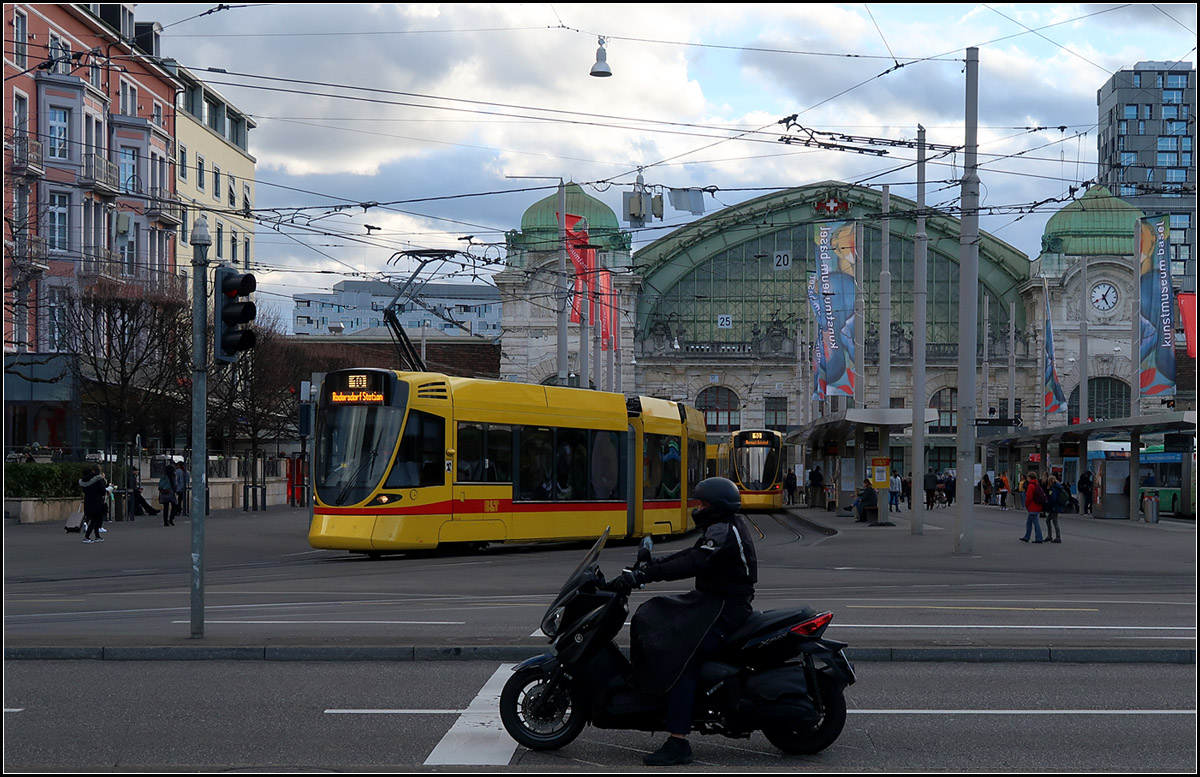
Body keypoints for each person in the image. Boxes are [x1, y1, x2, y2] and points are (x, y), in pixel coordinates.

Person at [616, 477, 758, 767]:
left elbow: (693, 562)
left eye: (702, 504)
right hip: (714, 602)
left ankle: (678, 741)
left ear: (716, 506)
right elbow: (692, 554)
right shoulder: (723, 527)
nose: (698, 509)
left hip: (724, 608)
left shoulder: (723, 531)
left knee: (681, 657)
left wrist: (647, 575)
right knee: (659, 616)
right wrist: (651, 566)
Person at [79, 465, 109, 544]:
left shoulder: (83, 481)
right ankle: (87, 537)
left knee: (94, 518)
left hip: (88, 501)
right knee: (95, 519)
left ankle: (97, 536)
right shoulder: (98, 479)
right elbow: (103, 491)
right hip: (97, 501)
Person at [1020, 470, 1046, 543]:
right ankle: (1027, 536)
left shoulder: (1031, 485)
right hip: (1037, 506)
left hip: (1032, 506)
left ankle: (1039, 538)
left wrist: (1026, 504)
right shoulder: (1037, 484)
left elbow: (1029, 497)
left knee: (1035, 523)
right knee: (1029, 522)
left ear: (1029, 477)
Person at [1045, 475, 1065, 543]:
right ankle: (1051, 536)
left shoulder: (1053, 488)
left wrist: (1048, 502)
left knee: (1054, 521)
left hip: (1054, 507)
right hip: (1057, 506)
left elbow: (1053, 498)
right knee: (1049, 520)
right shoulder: (1058, 487)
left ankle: (1056, 537)